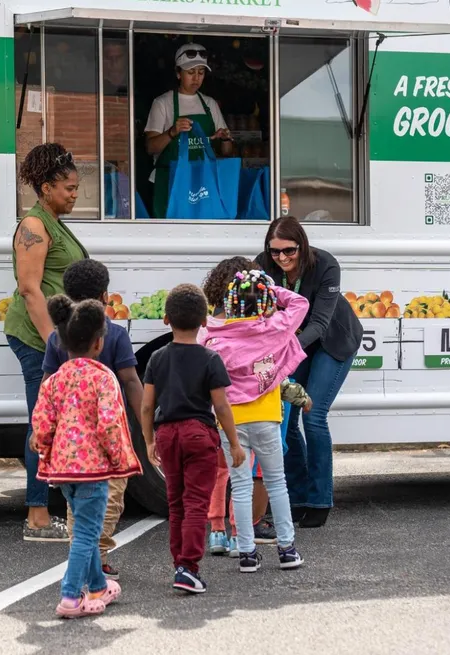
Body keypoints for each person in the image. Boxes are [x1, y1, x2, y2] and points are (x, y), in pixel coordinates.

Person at [30, 295, 142, 618]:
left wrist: (47, 448)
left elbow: (42, 422)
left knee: (85, 531)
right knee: (86, 535)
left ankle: (97, 587)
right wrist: (120, 457)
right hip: (94, 472)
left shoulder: (55, 380)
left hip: (63, 472)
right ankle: (69, 596)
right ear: (98, 343)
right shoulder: (103, 377)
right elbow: (109, 423)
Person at [255, 216, 364, 528]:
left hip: (333, 341)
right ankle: (297, 496)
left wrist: (285, 349)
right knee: (284, 418)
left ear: (301, 245)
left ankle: (319, 500)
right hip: (295, 344)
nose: (282, 258)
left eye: (289, 251)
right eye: (275, 252)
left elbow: (319, 323)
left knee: (312, 415)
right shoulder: (262, 265)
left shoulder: (326, 264)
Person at [5, 142, 89, 542]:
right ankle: (37, 516)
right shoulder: (34, 227)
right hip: (36, 337)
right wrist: (53, 340)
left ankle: (53, 505)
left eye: (75, 187)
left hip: (56, 336)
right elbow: (29, 289)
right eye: (68, 188)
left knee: (53, 419)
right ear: (45, 188)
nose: (75, 194)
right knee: (42, 422)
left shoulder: (52, 221)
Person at [140, 283, 245, 594]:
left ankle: (179, 565)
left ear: (166, 320)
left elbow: (147, 405)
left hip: (167, 433)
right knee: (196, 502)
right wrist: (235, 443)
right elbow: (222, 406)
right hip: (199, 433)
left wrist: (148, 440)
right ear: (204, 322)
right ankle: (188, 567)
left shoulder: (157, 358)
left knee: (176, 502)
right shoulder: (210, 359)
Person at [202, 269, 310, 572]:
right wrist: (272, 290)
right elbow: (300, 304)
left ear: (230, 300)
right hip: (266, 418)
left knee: (240, 486)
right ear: (265, 299)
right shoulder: (274, 329)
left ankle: (247, 553)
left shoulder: (216, 335)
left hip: (231, 423)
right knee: (277, 484)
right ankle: (287, 549)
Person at [143, 42, 234, 219]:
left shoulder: (209, 104)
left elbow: (227, 152)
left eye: (201, 73)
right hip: (171, 182)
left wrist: (224, 139)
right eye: (190, 72)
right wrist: (172, 132)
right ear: (178, 73)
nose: (196, 78)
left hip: (203, 183)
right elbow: (150, 147)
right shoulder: (163, 103)